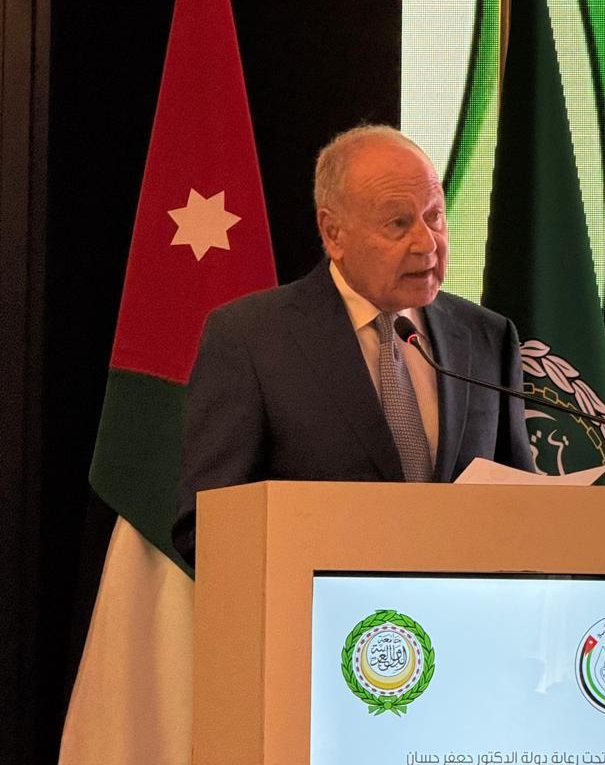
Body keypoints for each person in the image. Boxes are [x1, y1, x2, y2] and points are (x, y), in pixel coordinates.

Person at [172, 125, 534, 566]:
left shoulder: (487, 336)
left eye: (434, 216)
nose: (427, 243)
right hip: (313, 606)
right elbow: (207, 528)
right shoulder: (251, 339)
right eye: (398, 223)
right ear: (334, 234)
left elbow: (525, 508)